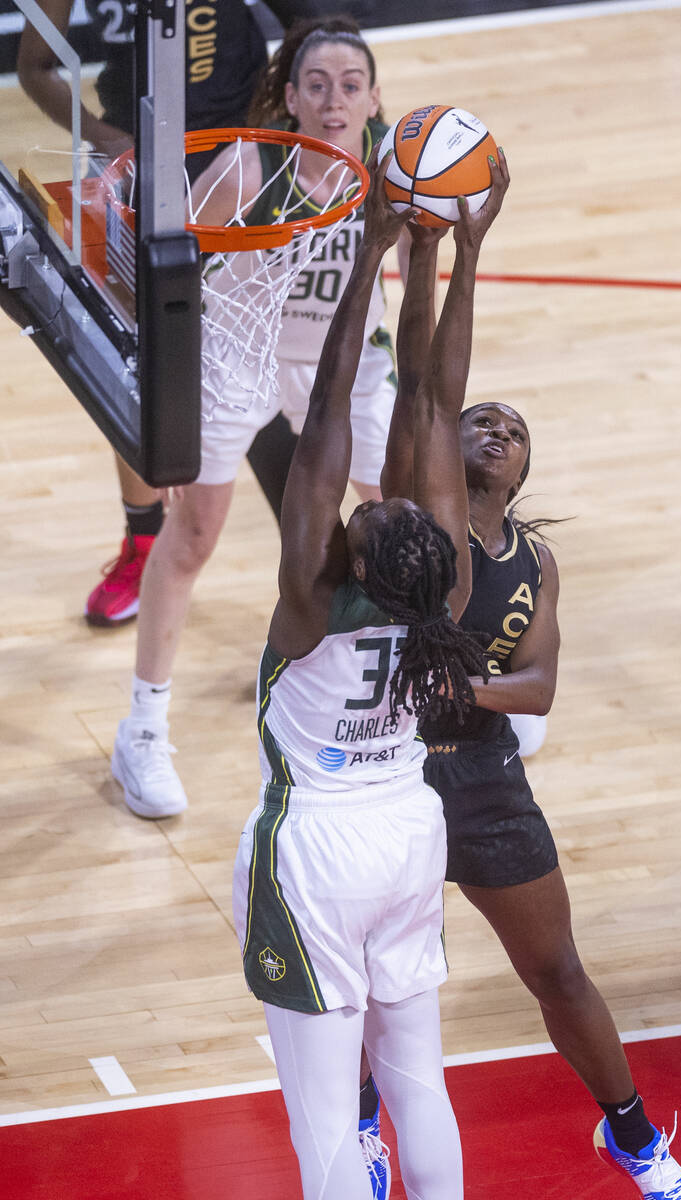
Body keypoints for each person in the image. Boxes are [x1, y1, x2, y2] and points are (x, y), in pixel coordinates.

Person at [231, 147, 510, 1200]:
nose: (369, 496)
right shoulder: (439, 596)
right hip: (405, 833)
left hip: (319, 850)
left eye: (371, 511)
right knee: (417, 1087)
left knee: (322, 1130)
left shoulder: (310, 600)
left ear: (353, 553)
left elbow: (331, 411)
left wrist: (371, 253)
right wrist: (450, 255)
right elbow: (431, 414)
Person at [360, 373, 681, 1194]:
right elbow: (426, 399)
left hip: (483, 775)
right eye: (480, 420)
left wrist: (458, 686)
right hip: (390, 767)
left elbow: (539, 687)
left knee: (558, 971)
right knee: (373, 979)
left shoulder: (537, 562)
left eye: (513, 429)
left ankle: (635, 1138)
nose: (496, 430)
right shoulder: (420, 523)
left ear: (522, 473)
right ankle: (363, 1123)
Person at [110, 19, 408, 819]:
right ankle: (142, 728)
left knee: (394, 521)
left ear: (374, 97)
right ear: (290, 95)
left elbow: (414, 278)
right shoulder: (249, 168)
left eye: (351, 84)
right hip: (242, 356)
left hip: (346, 366)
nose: (335, 98)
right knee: (197, 533)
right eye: (317, 83)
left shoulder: (390, 175)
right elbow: (177, 275)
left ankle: (431, 690)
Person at [16, 0, 320, 625]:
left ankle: (313, 567)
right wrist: (107, 139)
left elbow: (313, 28)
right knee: (140, 362)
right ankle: (144, 540)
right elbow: (33, 68)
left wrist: (289, 116)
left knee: (259, 370)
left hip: (242, 158)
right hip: (139, 166)